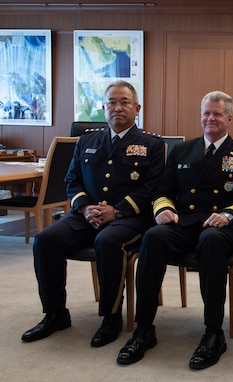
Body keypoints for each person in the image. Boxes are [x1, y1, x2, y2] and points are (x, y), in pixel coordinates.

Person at [116, 91, 233, 370]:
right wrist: (162, 210)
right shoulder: (182, 151)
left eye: (217, 114)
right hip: (186, 221)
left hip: (225, 226)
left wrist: (229, 214)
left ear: (229, 119)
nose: (210, 118)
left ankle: (213, 332)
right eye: (206, 113)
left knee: (211, 242)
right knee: (153, 237)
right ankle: (144, 328)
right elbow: (163, 191)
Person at [21, 80, 165, 348]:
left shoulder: (151, 144)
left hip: (131, 216)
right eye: (111, 102)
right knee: (46, 240)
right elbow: (72, 180)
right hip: (86, 214)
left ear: (137, 108)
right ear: (103, 107)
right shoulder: (87, 140)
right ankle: (55, 314)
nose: (117, 108)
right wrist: (85, 207)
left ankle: (111, 317)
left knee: (107, 242)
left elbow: (153, 187)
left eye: (124, 102)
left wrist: (117, 210)